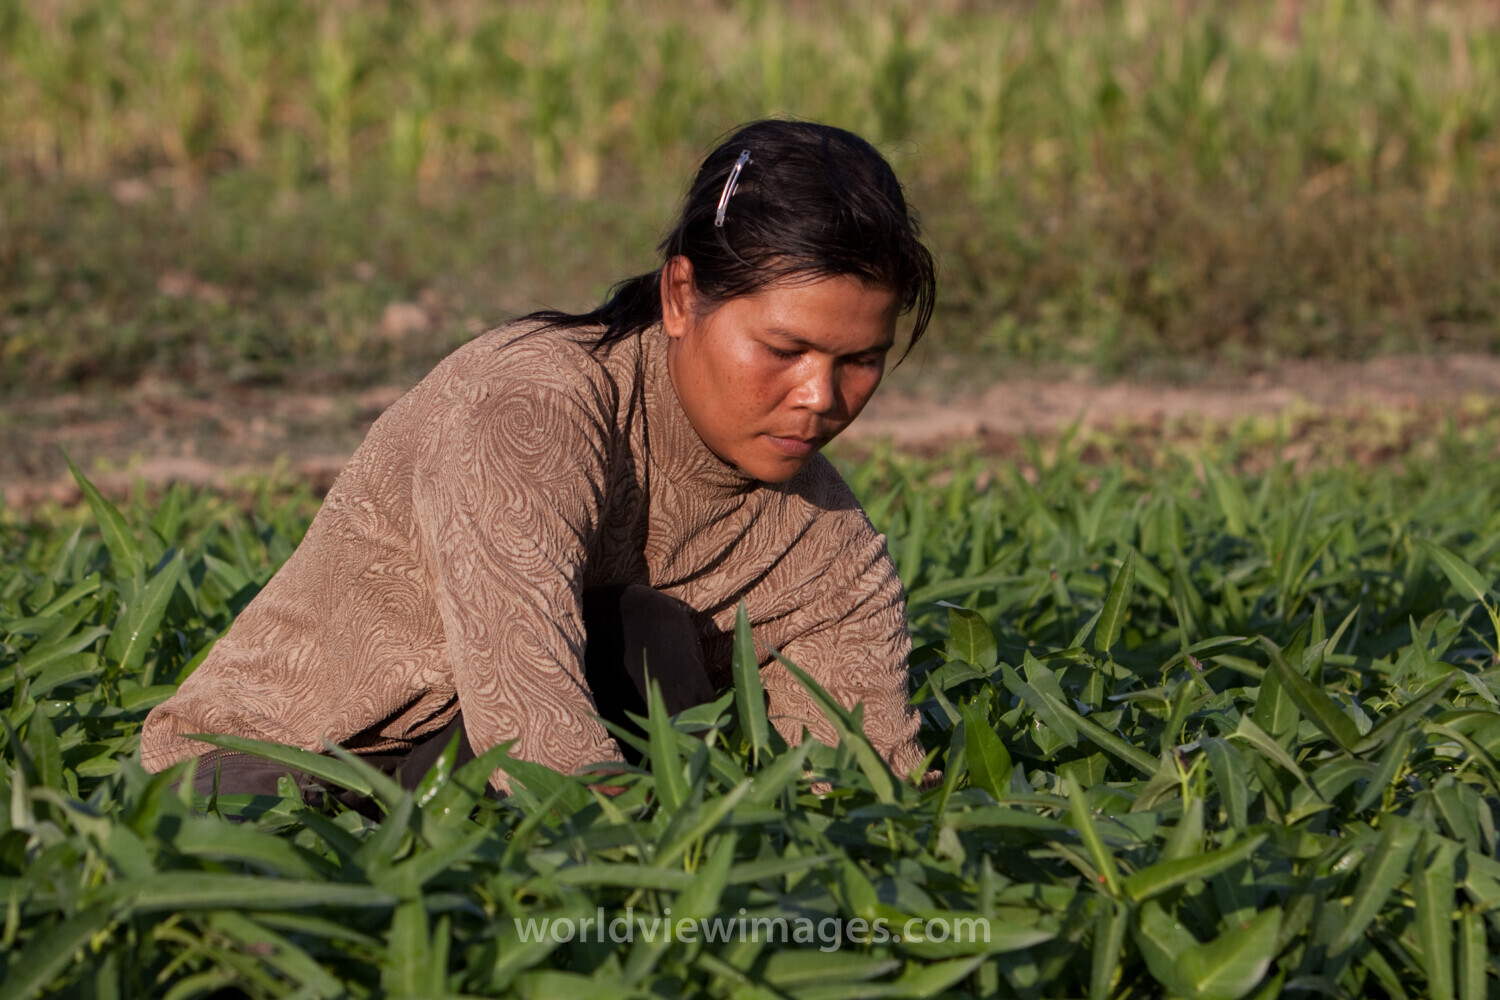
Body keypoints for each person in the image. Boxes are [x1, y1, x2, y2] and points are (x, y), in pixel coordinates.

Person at [139, 119, 939, 802]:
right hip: (269, 770)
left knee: (646, 637)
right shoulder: (528, 411)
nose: (818, 396)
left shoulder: (828, 547)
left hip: (455, 783)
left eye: (859, 361)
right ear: (680, 295)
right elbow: (533, 732)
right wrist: (641, 875)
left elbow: (863, 785)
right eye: (785, 348)